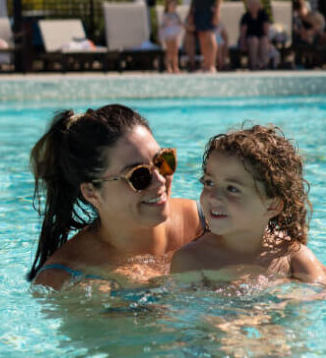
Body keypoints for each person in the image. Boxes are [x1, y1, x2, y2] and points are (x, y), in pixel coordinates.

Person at [28, 104, 203, 288]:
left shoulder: (206, 224)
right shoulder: (65, 280)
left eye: (163, 162)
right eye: (139, 175)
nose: (160, 181)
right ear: (92, 192)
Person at [171, 125, 326, 284]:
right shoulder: (193, 260)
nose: (214, 197)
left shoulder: (291, 256)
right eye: (209, 182)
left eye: (232, 189)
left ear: (271, 206)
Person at [238, 0, 272, 70]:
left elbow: (266, 32)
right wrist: (242, 43)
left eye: (255, 4)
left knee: (264, 40)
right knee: (254, 40)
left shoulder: (263, 15)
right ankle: (254, 64)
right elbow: (243, 33)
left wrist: (269, 42)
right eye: (251, 4)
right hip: (249, 39)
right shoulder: (245, 16)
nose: (253, 6)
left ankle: (264, 64)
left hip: (261, 38)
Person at [157, 0, 183, 74]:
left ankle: (175, 67)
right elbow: (162, 26)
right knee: (169, 51)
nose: (174, 7)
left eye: (175, 5)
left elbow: (180, 23)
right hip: (168, 34)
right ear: (168, 6)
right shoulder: (166, 15)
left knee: (175, 51)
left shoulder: (176, 15)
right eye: (172, 5)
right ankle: (168, 67)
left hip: (175, 34)